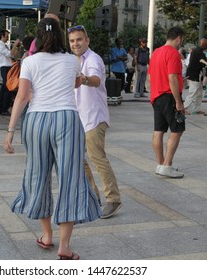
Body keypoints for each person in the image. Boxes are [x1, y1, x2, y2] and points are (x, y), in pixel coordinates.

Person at [3, 18, 101, 260]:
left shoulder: (29, 61)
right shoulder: (71, 60)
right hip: (67, 120)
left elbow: (22, 97)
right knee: (71, 179)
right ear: (60, 37)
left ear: (37, 38)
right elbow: (77, 82)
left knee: (38, 176)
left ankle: (47, 236)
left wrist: (10, 130)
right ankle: (64, 247)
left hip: (36, 121)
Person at [68, 25, 122, 219]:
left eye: (79, 40)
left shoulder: (93, 59)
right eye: (72, 41)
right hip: (78, 118)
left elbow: (96, 80)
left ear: (87, 40)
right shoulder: (73, 61)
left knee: (97, 158)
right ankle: (92, 197)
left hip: (94, 118)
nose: (76, 44)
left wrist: (82, 79)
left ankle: (113, 199)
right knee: (78, 160)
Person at [148, 26, 186, 178]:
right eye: (181, 40)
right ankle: (167, 165)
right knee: (177, 130)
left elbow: (150, 77)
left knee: (158, 131)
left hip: (156, 96)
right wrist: (178, 102)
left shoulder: (156, 52)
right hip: (169, 95)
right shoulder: (173, 53)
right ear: (179, 38)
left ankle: (161, 164)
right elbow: (172, 78)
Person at [0, 29, 20, 116]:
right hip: (5, 68)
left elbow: (12, 55)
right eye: (6, 36)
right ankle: (3, 108)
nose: (7, 38)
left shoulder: (4, 46)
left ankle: (1, 108)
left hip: (8, 67)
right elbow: (9, 54)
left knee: (5, 89)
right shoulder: (0, 46)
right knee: (8, 88)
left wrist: (15, 48)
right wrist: (15, 45)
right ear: (2, 36)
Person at [184, 38, 207, 115]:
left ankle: (196, 109)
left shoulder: (195, 51)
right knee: (193, 92)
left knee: (199, 92)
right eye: (206, 44)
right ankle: (183, 108)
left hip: (194, 74)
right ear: (204, 45)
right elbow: (203, 64)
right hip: (194, 75)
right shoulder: (200, 53)